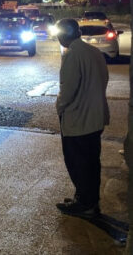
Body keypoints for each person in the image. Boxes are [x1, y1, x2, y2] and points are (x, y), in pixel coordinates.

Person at [54, 18, 109, 218]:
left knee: (78, 162)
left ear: (63, 35)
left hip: (79, 120)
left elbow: (67, 90)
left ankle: (85, 203)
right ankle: (89, 200)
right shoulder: (94, 52)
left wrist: (59, 107)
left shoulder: (72, 55)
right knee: (92, 162)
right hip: (96, 117)